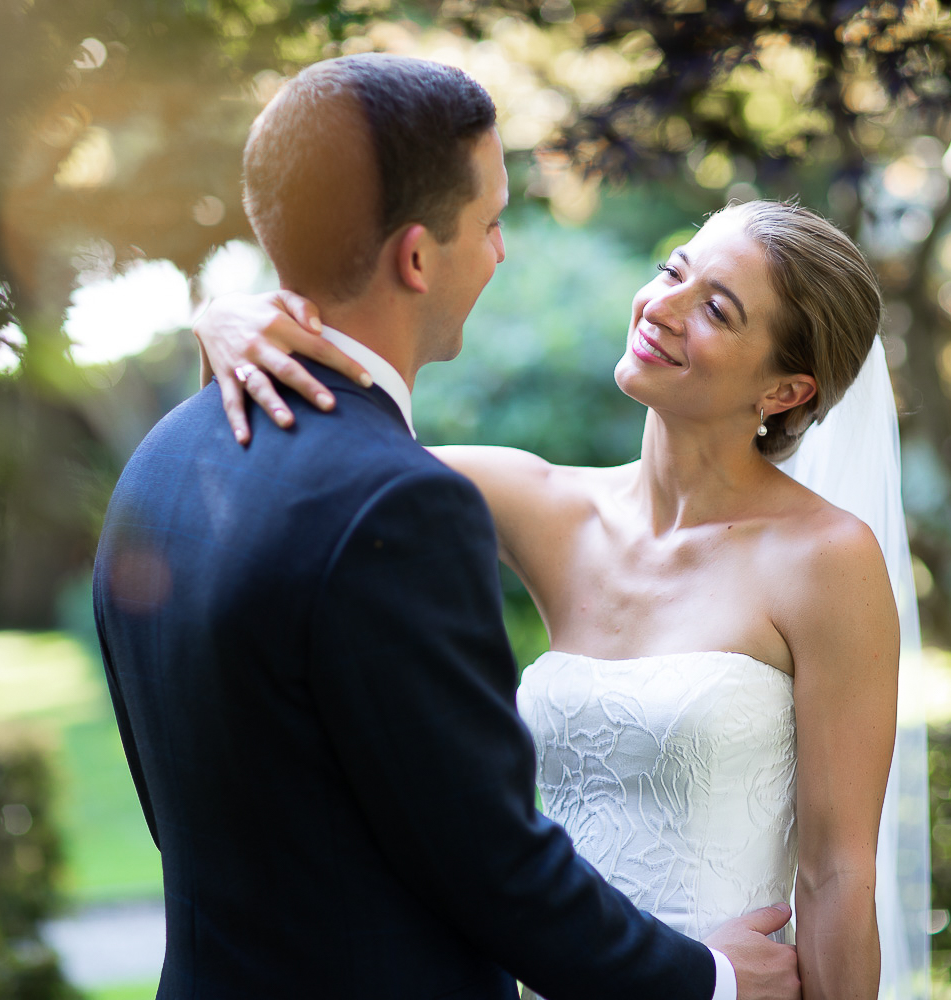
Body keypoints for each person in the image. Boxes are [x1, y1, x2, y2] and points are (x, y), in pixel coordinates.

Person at [93, 53, 801, 1000]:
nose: (502, 251)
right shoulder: (400, 508)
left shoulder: (167, 459)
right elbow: (494, 865)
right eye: (493, 222)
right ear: (418, 257)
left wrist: (222, 314)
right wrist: (713, 980)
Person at [196, 190, 932, 996]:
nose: (663, 306)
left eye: (717, 310)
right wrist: (223, 323)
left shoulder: (825, 559)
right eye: (671, 271)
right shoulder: (539, 502)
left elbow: (834, 873)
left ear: (786, 391)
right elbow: (304, 471)